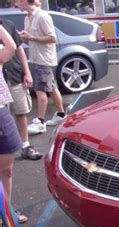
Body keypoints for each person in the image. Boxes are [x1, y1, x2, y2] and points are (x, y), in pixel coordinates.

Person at [16, 0, 66, 135]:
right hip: (36, 57)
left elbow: (52, 38)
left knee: (40, 89)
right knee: (51, 86)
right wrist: (24, 37)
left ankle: (40, 121)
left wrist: (31, 37)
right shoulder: (27, 17)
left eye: (17, 2)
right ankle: (61, 115)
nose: (15, 5)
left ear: (24, 1)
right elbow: (30, 39)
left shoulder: (43, 16)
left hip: (44, 59)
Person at [1, 18, 41, 162]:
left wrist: (27, 72)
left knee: (21, 111)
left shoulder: (8, 25)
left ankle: (26, 146)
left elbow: (18, 50)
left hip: (14, 76)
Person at [0, 23, 23, 227]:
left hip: (2, 111)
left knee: (6, 171)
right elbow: (10, 46)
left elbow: (10, 47)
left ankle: (6, 211)